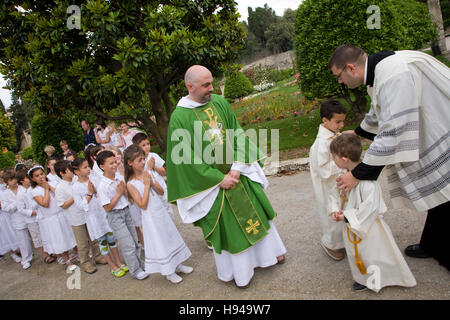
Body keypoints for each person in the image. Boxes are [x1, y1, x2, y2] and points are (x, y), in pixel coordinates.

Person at [329, 45, 450, 270]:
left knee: (446, 194)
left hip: (440, 129)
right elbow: (379, 111)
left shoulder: (394, 75)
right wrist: (358, 133)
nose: (340, 82)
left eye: (339, 76)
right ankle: (433, 244)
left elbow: (392, 133)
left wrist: (357, 174)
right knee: (441, 194)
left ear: (350, 68)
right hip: (433, 126)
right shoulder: (378, 72)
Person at [166, 65, 287, 288]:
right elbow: (185, 160)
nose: (212, 88)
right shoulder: (179, 118)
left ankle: (271, 254)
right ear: (189, 86)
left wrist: (238, 167)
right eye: (206, 85)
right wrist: (218, 179)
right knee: (230, 229)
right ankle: (242, 273)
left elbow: (237, 132)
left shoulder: (219, 102)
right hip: (215, 187)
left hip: (237, 175)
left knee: (257, 213)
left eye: (212, 83)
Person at [329, 134, 416, 292]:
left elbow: (370, 208)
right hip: (352, 225)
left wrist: (347, 217)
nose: (332, 160)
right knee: (359, 253)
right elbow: (334, 195)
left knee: (374, 254)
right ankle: (364, 277)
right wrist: (335, 210)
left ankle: (383, 277)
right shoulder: (343, 178)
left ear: (344, 159)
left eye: (334, 157)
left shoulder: (368, 184)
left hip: (370, 228)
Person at [125, 145, 193, 283]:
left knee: (169, 236)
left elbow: (161, 192)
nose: (143, 162)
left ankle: (178, 264)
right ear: (129, 163)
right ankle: (168, 271)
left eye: (143, 159)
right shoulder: (130, 184)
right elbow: (142, 205)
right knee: (160, 241)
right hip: (150, 218)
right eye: (139, 160)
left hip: (160, 212)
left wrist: (151, 182)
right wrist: (146, 185)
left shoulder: (147, 174)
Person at [96, 150, 148, 280]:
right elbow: (107, 207)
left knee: (135, 241)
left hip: (126, 211)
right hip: (115, 216)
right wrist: (119, 193)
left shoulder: (119, 177)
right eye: (111, 163)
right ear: (102, 167)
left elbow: (126, 195)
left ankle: (139, 264)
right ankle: (135, 270)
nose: (115, 164)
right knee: (127, 244)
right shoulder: (102, 185)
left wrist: (124, 192)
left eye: (115, 162)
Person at [71, 157, 126, 277]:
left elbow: (102, 194)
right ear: (77, 171)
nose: (88, 169)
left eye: (88, 166)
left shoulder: (95, 178)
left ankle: (118, 261)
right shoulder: (76, 187)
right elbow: (80, 205)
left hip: (103, 214)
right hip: (93, 218)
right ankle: (112, 266)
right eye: (84, 168)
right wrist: (90, 193)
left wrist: (96, 191)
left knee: (112, 239)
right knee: (102, 242)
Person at [309, 99, 347, 261]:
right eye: (337, 122)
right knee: (332, 215)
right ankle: (332, 244)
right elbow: (323, 170)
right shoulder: (321, 144)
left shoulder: (334, 136)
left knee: (344, 210)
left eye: (343, 121)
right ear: (325, 120)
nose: (341, 125)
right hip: (328, 187)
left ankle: (345, 239)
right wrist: (342, 163)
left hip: (339, 183)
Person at [29, 165, 78, 273]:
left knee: (70, 235)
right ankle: (67, 261)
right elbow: (45, 204)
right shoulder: (34, 191)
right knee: (59, 240)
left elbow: (60, 195)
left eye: (42, 174)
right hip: (50, 219)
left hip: (61, 214)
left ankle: (78, 253)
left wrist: (49, 186)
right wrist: (46, 189)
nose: (41, 177)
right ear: (33, 179)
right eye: (37, 176)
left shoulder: (53, 183)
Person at [16, 170, 52, 264]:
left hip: (41, 214)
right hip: (31, 219)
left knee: (44, 233)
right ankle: (45, 255)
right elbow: (20, 209)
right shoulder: (20, 193)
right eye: (26, 178)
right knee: (37, 237)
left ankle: (50, 250)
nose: (29, 180)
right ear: (21, 181)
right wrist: (32, 212)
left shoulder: (33, 188)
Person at [1, 170, 33, 269]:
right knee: (23, 240)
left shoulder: (23, 188)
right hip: (17, 218)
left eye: (14, 179)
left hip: (29, 214)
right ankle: (26, 258)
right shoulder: (4, 193)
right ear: (6, 182)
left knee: (37, 235)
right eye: (10, 180)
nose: (13, 181)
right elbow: (5, 208)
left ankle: (48, 253)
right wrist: (17, 204)